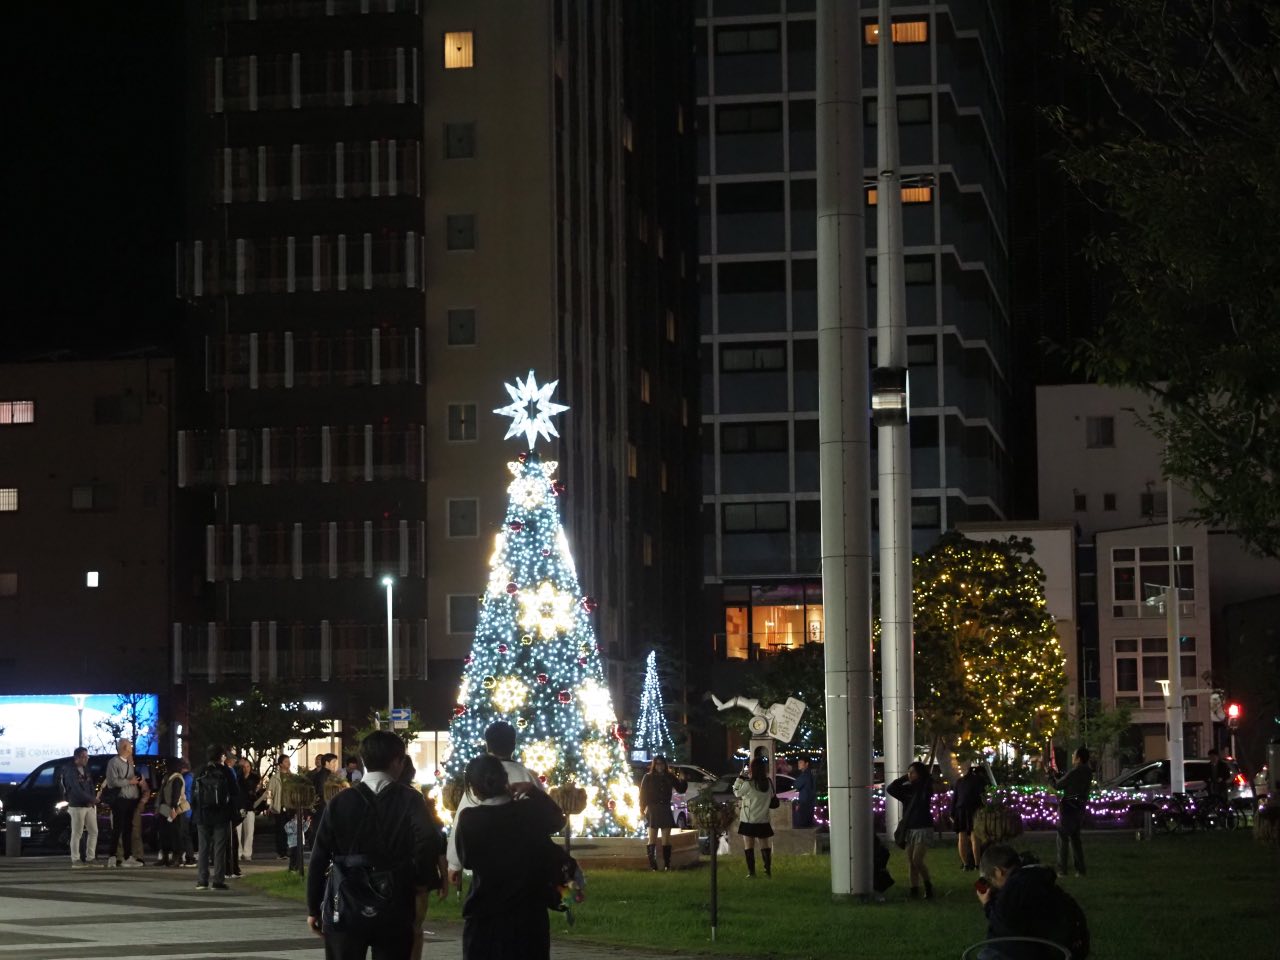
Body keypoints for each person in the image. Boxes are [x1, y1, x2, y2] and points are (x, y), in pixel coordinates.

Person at [306, 731, 445, 960]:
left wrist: (314, 907)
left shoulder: (340, 801)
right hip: (396, 901)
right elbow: (427, 840)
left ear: (363, 760)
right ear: (397, 761)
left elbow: (319, 855)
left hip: (346, 901)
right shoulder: (410, 800)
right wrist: (421, 880)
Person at [453, 754, 567, 960]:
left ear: (474, 787)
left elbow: (467, 859)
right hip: (529, 915)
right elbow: (558, 821)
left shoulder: (470, 819)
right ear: (505, 779)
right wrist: (534, 792)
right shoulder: (529, 811)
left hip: (485, 916)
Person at [446, 721, 544, 883]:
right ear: (513, 745)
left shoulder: (480, 779)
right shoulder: (529, 778)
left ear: (487, 746)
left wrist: (454, 864)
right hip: (524, 864)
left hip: (486, 865)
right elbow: (546, 815)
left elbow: (460, 823)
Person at [974, 844, 1090, 960]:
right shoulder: (1034, 878)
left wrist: (987, 904)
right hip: (1068, 949)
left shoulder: (1015, 888)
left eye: (990, 879)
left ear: (998, 872)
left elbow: (1002, 925)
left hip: (1045, 952)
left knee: (988, 954)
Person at [191, 745, 238, 891]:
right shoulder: (226, 771)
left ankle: (202, 880)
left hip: (202, 815)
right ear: (221, 756)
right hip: (221, 815)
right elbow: (235, 792)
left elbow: (193, 793)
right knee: (219, 848)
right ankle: (218, 880)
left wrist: (196, 811)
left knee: (203, 848)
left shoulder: (199, 771)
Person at [887, 761, 934, 899]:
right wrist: (904, 778)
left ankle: (928, 885)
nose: (910, 774)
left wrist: (924, 778)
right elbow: (891, 788)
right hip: (910, 828)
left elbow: (926, 790)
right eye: (909, 772)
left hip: (923, 827)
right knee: (911, 862)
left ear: (920, 773)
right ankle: (914, 889)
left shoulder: (925, 787)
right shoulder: (907, 790)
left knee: (917, 860)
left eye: (913, 772)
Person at [1046, 747, 1092, 878]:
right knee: (1075, 839)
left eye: (1073, 754)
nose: (1072, 757)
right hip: (1080, 807)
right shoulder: (1088, 772)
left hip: (1068, 808)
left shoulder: (1075, 771)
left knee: (1062, 838)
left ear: (1078, 758)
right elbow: (1067, 781)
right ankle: (1080, 870)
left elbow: (1057, 786)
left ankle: (1062, 870)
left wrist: (1050, 776)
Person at [638, 756, 687, 871]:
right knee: (652, 839)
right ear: (654, 765)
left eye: (662, 764)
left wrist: (683, 780)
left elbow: (680, 789)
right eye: (657, 764)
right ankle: (653, 865)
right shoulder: (648, 777)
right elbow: (642, 794)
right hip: (653, 809)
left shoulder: (669, 776)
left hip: (665, 808)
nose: (659, 766)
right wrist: (642, 809)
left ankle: (667, 865)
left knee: (666, 839)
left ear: (665, 765)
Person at [102, 738, 144, 868]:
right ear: (125, 747)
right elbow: (112, 782)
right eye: (130, 746)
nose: (131, 748)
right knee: (118, 828)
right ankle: (112, 856)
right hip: (120, 800)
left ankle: (128, 856)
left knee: (128, 829)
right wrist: (129, 782)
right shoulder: (113, 762)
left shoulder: (129, 763)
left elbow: (133, 778)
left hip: (131, 800)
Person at [732, 757, 775, 879]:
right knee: (765, 845)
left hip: (749, 820)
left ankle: (752, 872)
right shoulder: (768, 783)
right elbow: (771, 797)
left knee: (749, 846)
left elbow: (736, 793)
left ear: (752, 769)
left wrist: (740, 778)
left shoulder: (748, 784)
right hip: (763, 819)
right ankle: (767, 871)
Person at [60, 747, 99, 867]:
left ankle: (90, 858)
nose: (87, 758)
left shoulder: (85, 769)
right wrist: (91, 799)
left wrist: (92, 800)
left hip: (89, 805)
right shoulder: (70, 770)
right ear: (77, 758)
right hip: (77, 805)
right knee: (77, 833)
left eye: (87, 756)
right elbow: (76, 789)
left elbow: (91, 784)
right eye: (84, 756)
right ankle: (75, 859)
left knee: (94, 831)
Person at [951, 765, 987, 870]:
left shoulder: (960, 781)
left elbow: (955, 798)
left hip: (960, 810)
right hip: (974, 810)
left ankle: (966, 864)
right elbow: (983, 797)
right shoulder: (980, 781)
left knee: (961, 838)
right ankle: (977, 864)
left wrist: (952, 813)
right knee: (975, 838)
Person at [157, 758, 192, 867]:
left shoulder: (176, 778)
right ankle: (166, 857)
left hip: (176, 810)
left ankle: (177, 858)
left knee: (177, 835)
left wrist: (173, 809)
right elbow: (162, 793)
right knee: (165, 834)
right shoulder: (168, 777)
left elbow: (175, 796)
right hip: (165, 809)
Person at [267, 754, 294, 862]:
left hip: (291, 807)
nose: (289, 763)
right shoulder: (275, 778)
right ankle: (281, 852)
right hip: (280, 807)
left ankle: (291, 851)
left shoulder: (293, 777)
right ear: (281, 764)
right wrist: (269, 805)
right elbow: (270, 792)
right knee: (281, 830)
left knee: (292, 831)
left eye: (289, 761)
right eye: (286, 761)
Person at [237, 757, 264, 863]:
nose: (246, 769)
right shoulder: (238, 777)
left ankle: (247, 853)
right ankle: (238, 852)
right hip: (239, 807)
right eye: (243, 766)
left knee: (249, 831)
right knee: (238, 832)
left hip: (249, 807)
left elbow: (255, 792)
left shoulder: (255, 778)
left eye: (248, 766)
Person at [791, 755, 818, 829]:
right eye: (798, 762)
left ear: (806, 764)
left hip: (804, 804)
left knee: (802, 827)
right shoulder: (810, 774)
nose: (798, 764)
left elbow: (796, 785)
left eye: (800, 762)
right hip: (810, 803)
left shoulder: (805, 775)